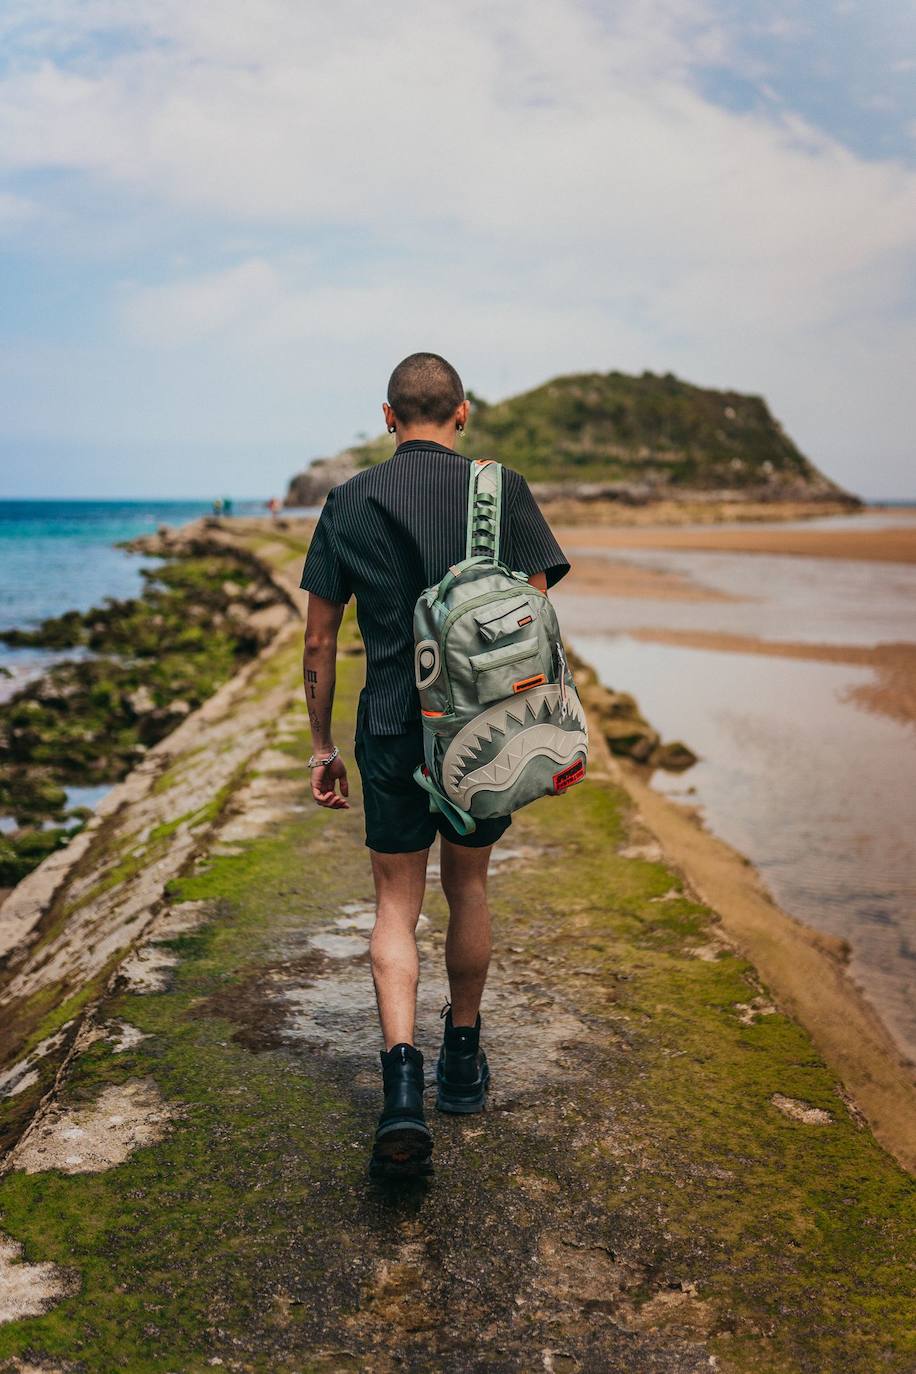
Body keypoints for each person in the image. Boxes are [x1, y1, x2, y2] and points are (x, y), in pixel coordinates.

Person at [299, 353, 569, 1180]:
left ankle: (401, 1092)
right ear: (463, 411)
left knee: (395, 905)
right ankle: (461, 1060)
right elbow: (531, 614)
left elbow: (318, 642)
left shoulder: (348, 500)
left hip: (389, 726)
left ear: (388, 417)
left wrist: (322, 744)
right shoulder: (501, 488)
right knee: (470, 886)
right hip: (481, 732)